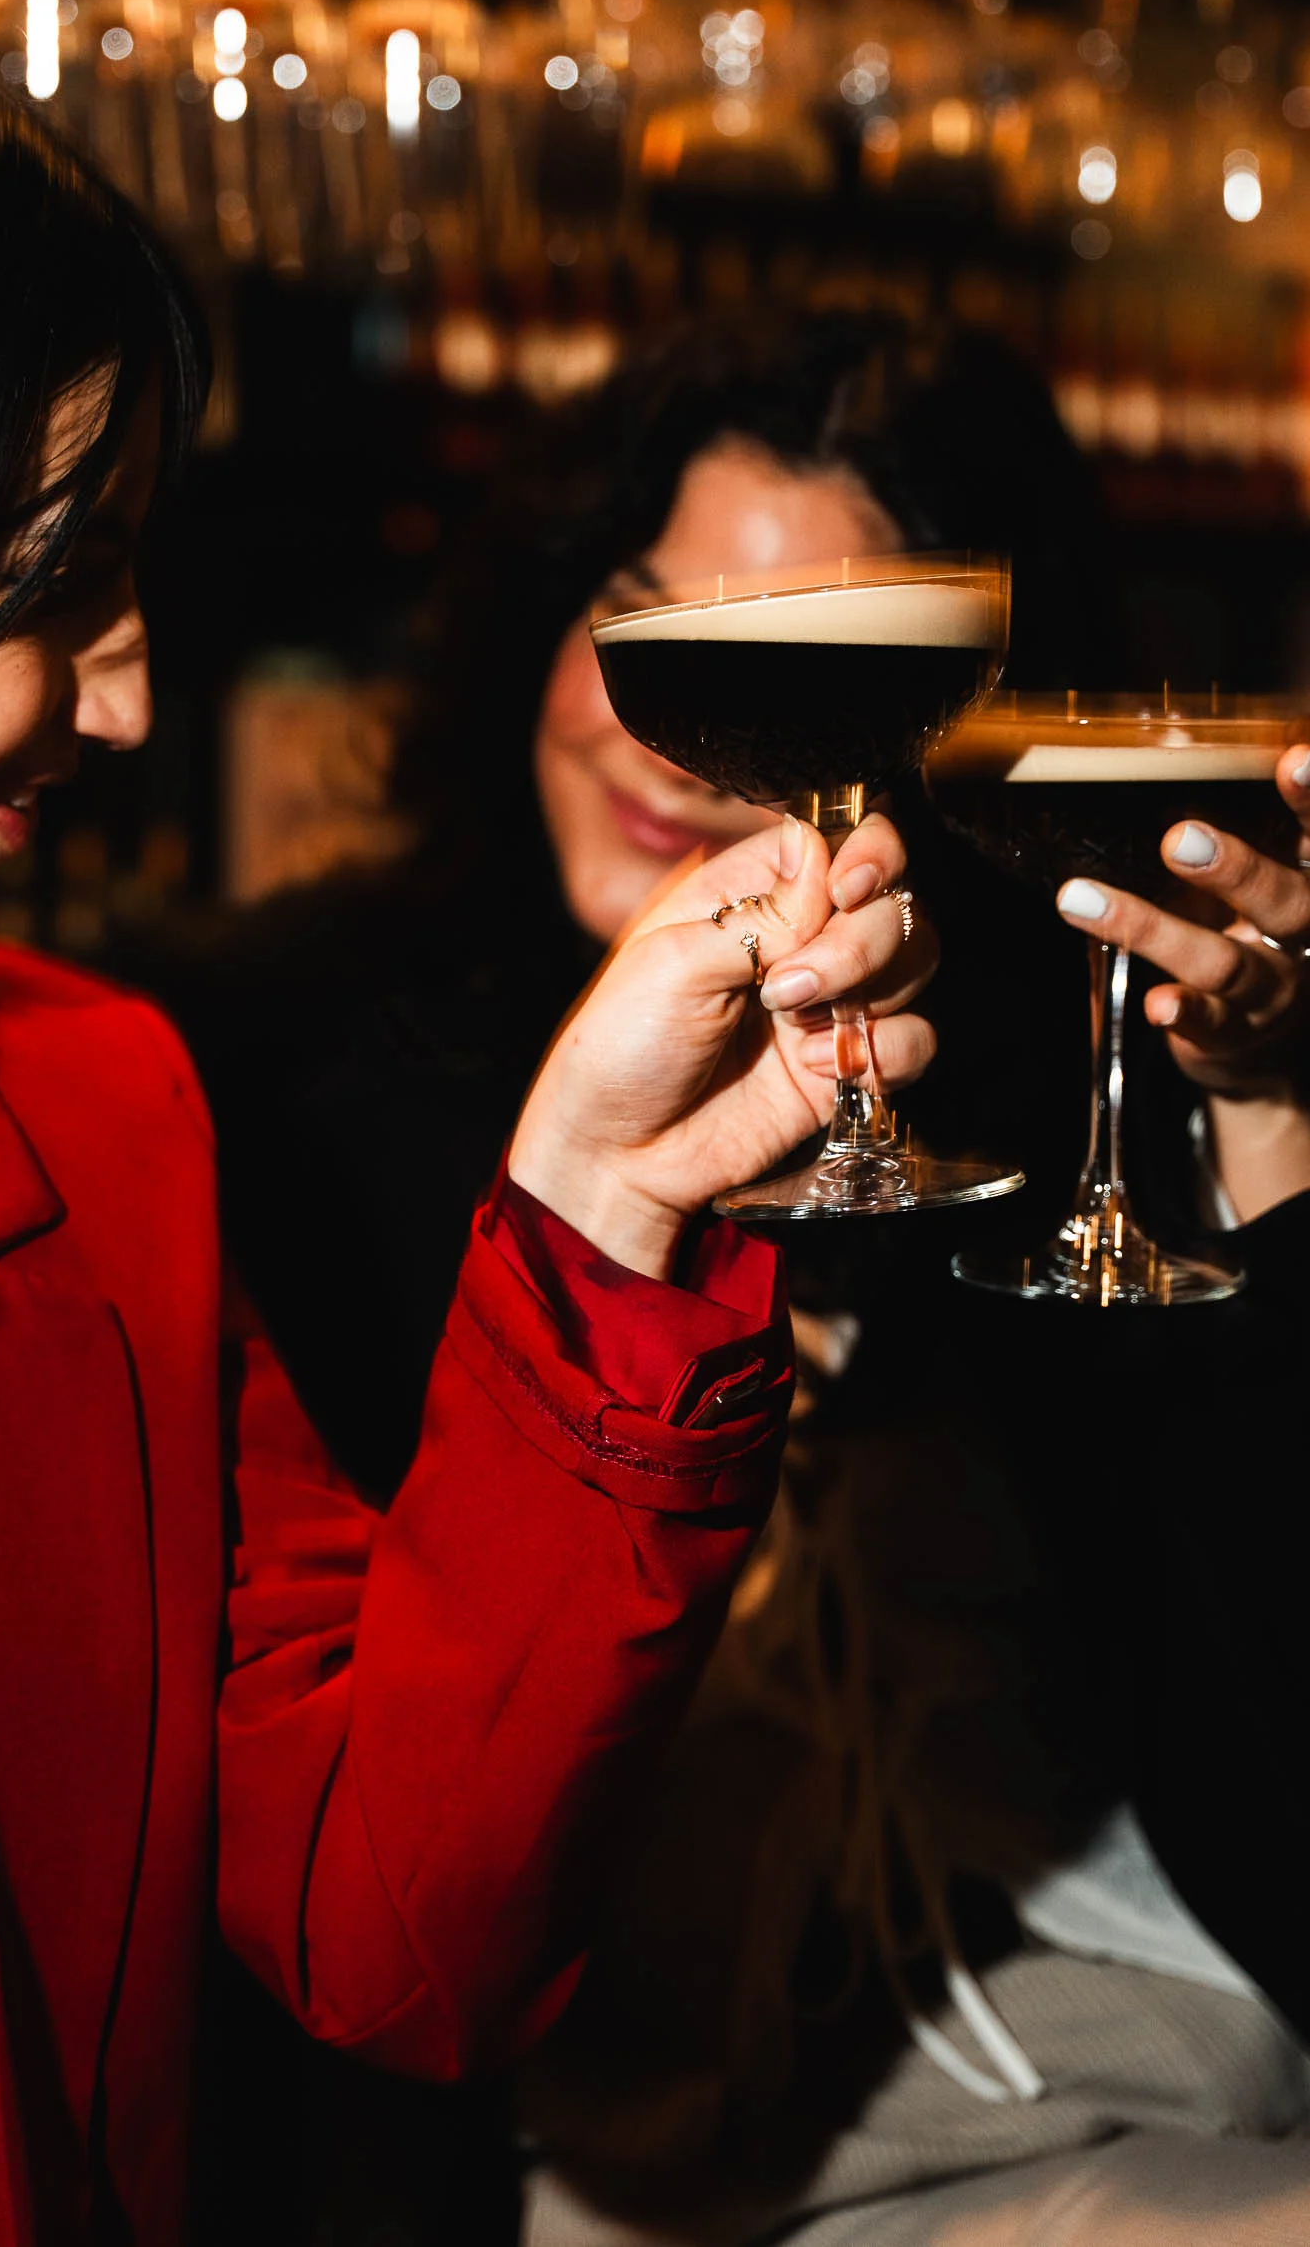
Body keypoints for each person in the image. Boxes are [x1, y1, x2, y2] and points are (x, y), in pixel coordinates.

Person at [0, 20, 935, 2247]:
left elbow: (397, 1935)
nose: (127, 696)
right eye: (53, 576)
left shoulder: (81, 1122)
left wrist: (605, 1196)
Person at [124, 314, 1310, 2245]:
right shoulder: (272, 1082)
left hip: (1121, 2117)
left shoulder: (1059, 1106)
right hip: (579, 2168)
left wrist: (1269, 1135)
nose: (679, 727)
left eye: (806, 653)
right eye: (642, 613)